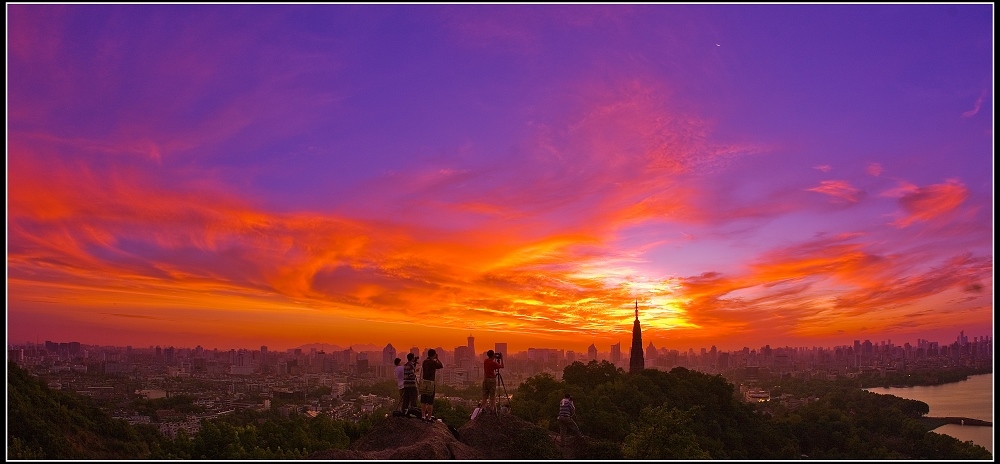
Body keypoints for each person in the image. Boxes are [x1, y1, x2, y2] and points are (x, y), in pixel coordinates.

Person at [419, 349, 444, 422]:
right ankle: (429, 418)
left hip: (424, 382)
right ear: (434, 355)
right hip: (430, 383)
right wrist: (437, 359)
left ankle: (423, 416)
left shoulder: (424, 362)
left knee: (423, 401)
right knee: (430, 402)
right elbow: (441, 365)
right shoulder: (433, 362)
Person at [482, 350, 504, 415]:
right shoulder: (493, 363)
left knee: (485, 395)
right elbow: (502, 366)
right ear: (493, 355)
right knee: (492, 395)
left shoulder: (485, 361)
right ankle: (492, 409)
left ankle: (483, 407)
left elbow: (490, 364)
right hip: (492, 380)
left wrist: (493, 357)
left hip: (485, 380)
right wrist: (501, 359)